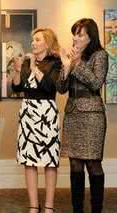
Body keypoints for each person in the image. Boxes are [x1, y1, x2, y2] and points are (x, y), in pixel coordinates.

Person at [56, 18, 108, 213]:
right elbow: (61, 89)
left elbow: (96, 84)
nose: (75, 38)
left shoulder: (100, 55)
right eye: (74, 34)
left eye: (80, 34)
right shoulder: (70, 57)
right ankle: (77, 209)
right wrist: (66, 67)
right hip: (72, 114)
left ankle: (97, 209)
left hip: (92, 116)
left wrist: (76, 64)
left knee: (93, 164)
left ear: (90, 37)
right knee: (75, 164)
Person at [11, 28, 62, 213]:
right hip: (28, 113)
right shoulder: (26, 62)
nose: (32, 42)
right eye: (32, 39)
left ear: (47, 43)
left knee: (49, 161)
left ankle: (49, 206)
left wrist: (34, 67)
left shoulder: (55, 63)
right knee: (29, 161)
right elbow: (17, 87)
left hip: (46, 113)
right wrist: (17, 71)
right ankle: (34, 205)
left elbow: (49, 86)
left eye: (37, 39)